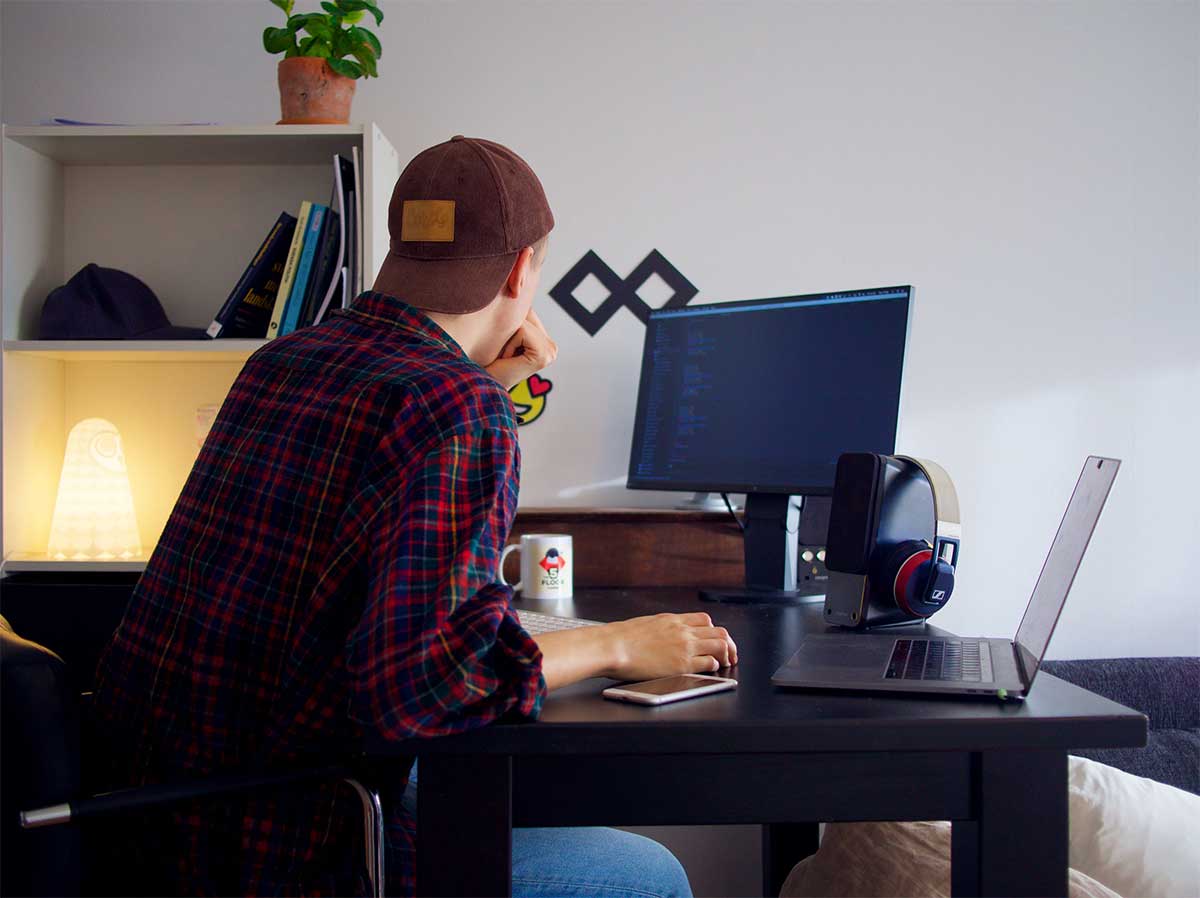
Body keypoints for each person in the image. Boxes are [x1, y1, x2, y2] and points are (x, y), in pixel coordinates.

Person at [92, 136, 736, 897]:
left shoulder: (284, 359)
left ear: (400, 249)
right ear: (523, 268)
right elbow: (427, 693)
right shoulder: (453, 406)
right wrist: (618, 645)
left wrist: (488, 389)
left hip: (152, 819)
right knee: (646, 875)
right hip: (293, 841)